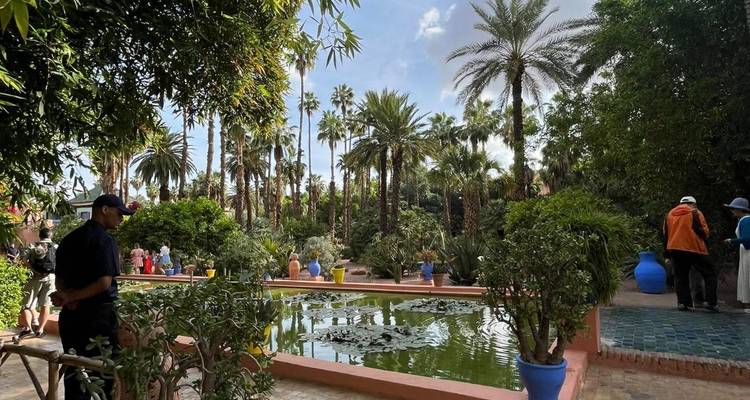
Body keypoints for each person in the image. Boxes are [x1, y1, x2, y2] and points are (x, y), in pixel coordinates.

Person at [51, 194, 134, 400]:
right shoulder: (104, 240)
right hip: (98, 319)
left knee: (75, 371)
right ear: (104, 210)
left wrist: (67, 296)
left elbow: (59, 278)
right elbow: (104, 283)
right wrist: (72, 297)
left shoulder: (70, 239)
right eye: (119, 213)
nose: (121, 219)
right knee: (103, 373)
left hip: (71, 318)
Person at [663, 196, 718, 312]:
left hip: (675, 249)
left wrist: (667, 254)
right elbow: (704, 231)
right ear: (693, 204)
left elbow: (666, 234)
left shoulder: (670, 214)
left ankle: (683, 303)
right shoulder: (695, 213)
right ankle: (711, 302)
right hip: (695, 248)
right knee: (710, 274)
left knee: (680, 276)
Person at [17, 228, 57, 339]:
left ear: (39, 236)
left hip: (35, 278)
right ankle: (40, 330)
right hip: (51, 278)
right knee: (46, 305)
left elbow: (23, 260)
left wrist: (33, 270)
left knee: (26, 304)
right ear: (51, 236)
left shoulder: (32, 246)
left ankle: (28, 328)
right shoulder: (56, 247)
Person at [723, 197, 750, 312]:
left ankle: (748, 305)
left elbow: (747, 239)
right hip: (745, 252)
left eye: (734, 209)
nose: (732, 211)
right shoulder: (744, 219)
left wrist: (731, 241)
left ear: (740, 209)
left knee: (748, 277)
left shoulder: (745, 220)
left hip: (748, 253)